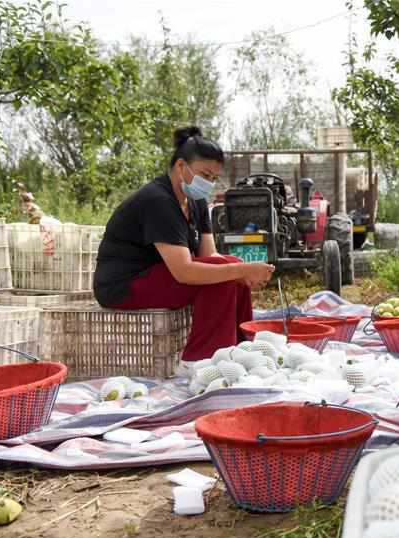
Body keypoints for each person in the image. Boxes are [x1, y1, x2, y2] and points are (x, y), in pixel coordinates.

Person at [94, 126, 275, 372]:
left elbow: (208, 256)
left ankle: (240, 349)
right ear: (181, 167)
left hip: (159, 275)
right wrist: (242, 268)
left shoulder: (197, 202)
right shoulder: (158, 201)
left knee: (229, 267)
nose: (208, 183)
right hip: (124, 285)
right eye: (204, 175)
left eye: (213, 178)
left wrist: (243, 272)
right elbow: (184, 272)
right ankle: (201, 361)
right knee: (227, 270)